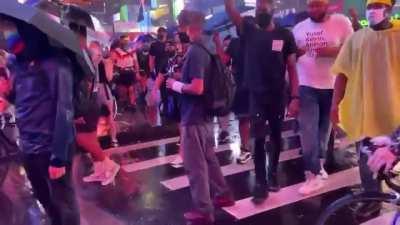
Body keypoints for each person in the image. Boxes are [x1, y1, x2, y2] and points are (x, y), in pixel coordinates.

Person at [0, 14, 80, 225]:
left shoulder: (56, 63)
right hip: (28, 146)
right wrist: (7, 92)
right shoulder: (17, 64)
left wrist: (59, 157)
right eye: (6, 32)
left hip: (52, 146)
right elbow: (20, 99)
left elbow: (64, 109)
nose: (9, 39)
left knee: (63, 202)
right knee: (43, 197)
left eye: (12, 31)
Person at [330, 0, 400, 219]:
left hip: (395, 112)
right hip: (365, 109)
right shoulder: (356, 39)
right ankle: (371, 199)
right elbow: (342, 73)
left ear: (389, 9)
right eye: (370, 6)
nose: (372, 11)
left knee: (390, 156)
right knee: (366, 158)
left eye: (378, 6)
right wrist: (335, 105)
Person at [225, 0, 300, 203]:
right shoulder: (249, 30)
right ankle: (260, 182)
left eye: (263, 9)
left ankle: (272, 173)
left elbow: (292, 68)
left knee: (275, 137)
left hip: (277, 97)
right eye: (257, 9)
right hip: (255, 96)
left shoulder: (285, 35)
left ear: (272, 10)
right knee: (258, 138)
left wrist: (295, 97)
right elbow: (232, 12)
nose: (260, 12)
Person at [166, 10, 234, 225]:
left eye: (180, 27)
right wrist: (181, 76)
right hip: (204, 115)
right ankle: (223, 194)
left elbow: (197, 87)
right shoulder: (208, 47)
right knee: (209, 160)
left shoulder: (196, 51)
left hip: (193, 116)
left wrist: (175, 84)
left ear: (188, 26)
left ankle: (204, 211)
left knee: (195, 166)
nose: (179, 32)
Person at [292, 0, 353, 195]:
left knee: (324, 131)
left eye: (318, 5)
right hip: (306, 85)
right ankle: (312, 174)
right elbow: (289, 58)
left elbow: (352, 50)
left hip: (332, 86)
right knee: (308, 130)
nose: (313, 9)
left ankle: (318, 166)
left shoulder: (341, 23)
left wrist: (331, 51)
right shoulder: (299, 28)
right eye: (310, 6)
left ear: (327, 5)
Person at [225, 34, 252, 164]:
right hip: (246, 85)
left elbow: (224, 60)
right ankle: (247, 148)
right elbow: (224, 60)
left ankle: (248, 148)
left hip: (249, 85)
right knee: (245, 118)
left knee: (246, 118)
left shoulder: (236, 42)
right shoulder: (235, 43)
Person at [88, 41, 119, 147]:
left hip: (95, 89)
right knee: (109, 114)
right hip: (102, 89)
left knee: (95, 116)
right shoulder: (104, 61)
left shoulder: (92, 60)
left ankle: (98, 141)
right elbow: (109, 78)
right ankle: (113, 140)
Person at [111, 35, 140, 110]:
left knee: (131, 89)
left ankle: (132, 104)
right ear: (120, 41)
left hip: (130, 72)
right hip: (121, 73)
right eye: (124, 40)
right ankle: (124, 104)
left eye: (127, 41)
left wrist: (137, 73)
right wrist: (114, 73)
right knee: (122, 90)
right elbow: (112, 63)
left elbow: (136, 62)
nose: (125, 42)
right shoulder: (115, 51)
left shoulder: (132, 51)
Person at [150, 27, 170, 116]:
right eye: (160, 32)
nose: (161, 34)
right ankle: (165, 107)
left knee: (169, 89)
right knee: (163, 89)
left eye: (163, 32)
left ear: (166, 33)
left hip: (170, 69)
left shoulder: (169, 43)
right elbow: (151, 59)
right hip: (159, 70)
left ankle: (168, 106)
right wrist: (152, 71)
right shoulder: (154, 45)